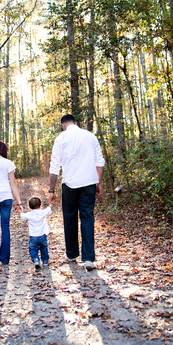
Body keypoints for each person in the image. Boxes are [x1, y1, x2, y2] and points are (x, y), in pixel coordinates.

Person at [48, 114, 105, 271]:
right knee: (87, 217)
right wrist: (98, 183)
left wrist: (51, 190)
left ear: (63, 125)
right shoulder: (90, 136)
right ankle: (88, 259)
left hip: (70, 184)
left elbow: (54, 169)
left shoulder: (60, 138)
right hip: (89, 183)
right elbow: (100, 162)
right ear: (76, 122)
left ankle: (72, 254)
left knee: (70, 218)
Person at [18, 197, 52, 269]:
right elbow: (48, 209)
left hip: (33, 237)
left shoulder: (29, 214)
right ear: (40, 206)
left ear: (29, 207)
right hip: (42, 235)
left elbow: (22, 216)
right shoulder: (42, 212)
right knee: (44, 248)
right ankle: (45, 261)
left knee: (33, 249)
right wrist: (52, 203)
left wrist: (20, 211)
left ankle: (36, 259)